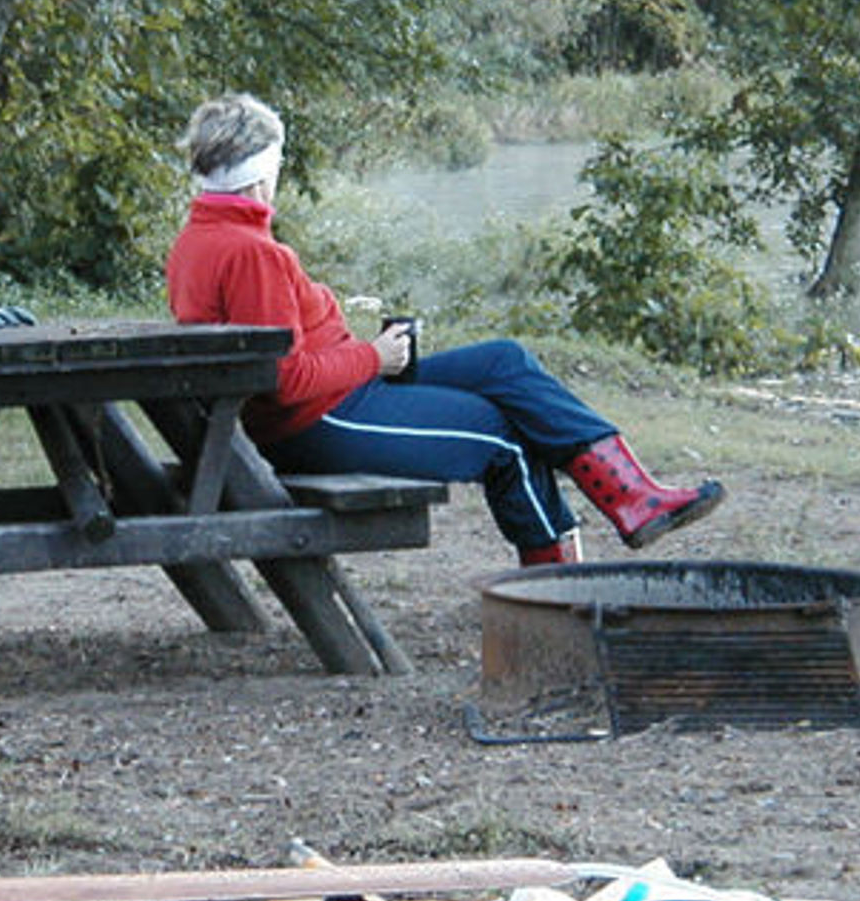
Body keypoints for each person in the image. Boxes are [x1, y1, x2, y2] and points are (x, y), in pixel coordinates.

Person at [165, 92, 724, 563]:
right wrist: (374, 357)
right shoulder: (252, 252)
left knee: (503, 361)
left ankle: (633, 496)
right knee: (501, 435)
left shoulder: (201, 238)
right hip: (318, 419)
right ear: (265, 173)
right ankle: (555, 580)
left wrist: (371, 357)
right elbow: (284, 379)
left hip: (338, 395)